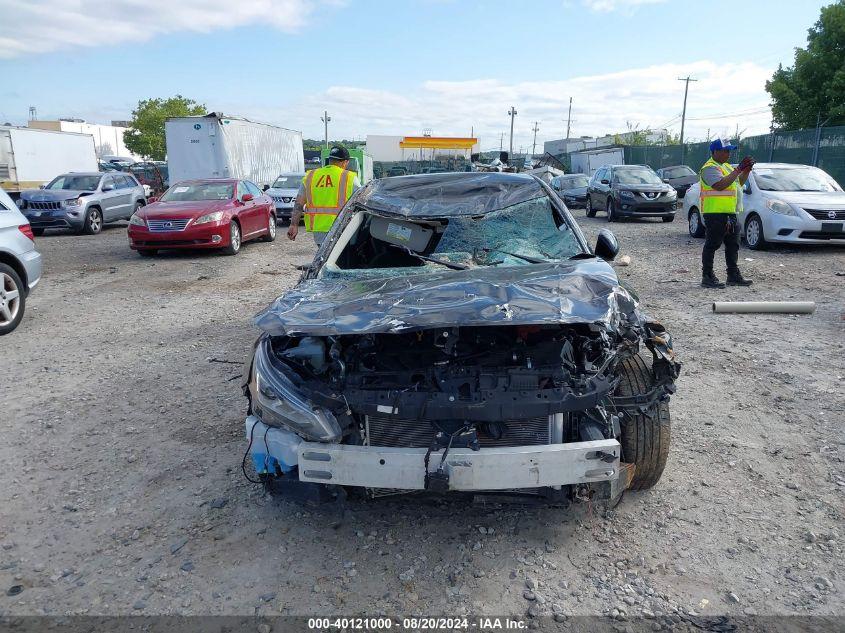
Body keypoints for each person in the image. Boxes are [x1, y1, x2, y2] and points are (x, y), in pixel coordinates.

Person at [698, 139, 754, 288]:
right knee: (712, 245)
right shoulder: (709, 168)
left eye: (729, 151)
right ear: (715, 151)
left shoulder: (727, 167)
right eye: (725, 150)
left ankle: (733, 275)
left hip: (730, 213)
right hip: (715, 213)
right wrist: (738, 170)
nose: (728, 153)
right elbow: (720, 185)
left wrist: (746, 171)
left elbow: (738, 183)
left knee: (733, 245)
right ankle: (707, 276)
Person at [288, 145, 359, 246]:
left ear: (330, 160)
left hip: (319, 230)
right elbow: (362, 201)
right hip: (341, 228)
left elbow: (299, 203)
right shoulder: (349, 177)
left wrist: (293, 225)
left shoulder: (311, 176)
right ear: (345, 162)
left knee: (323, 258)